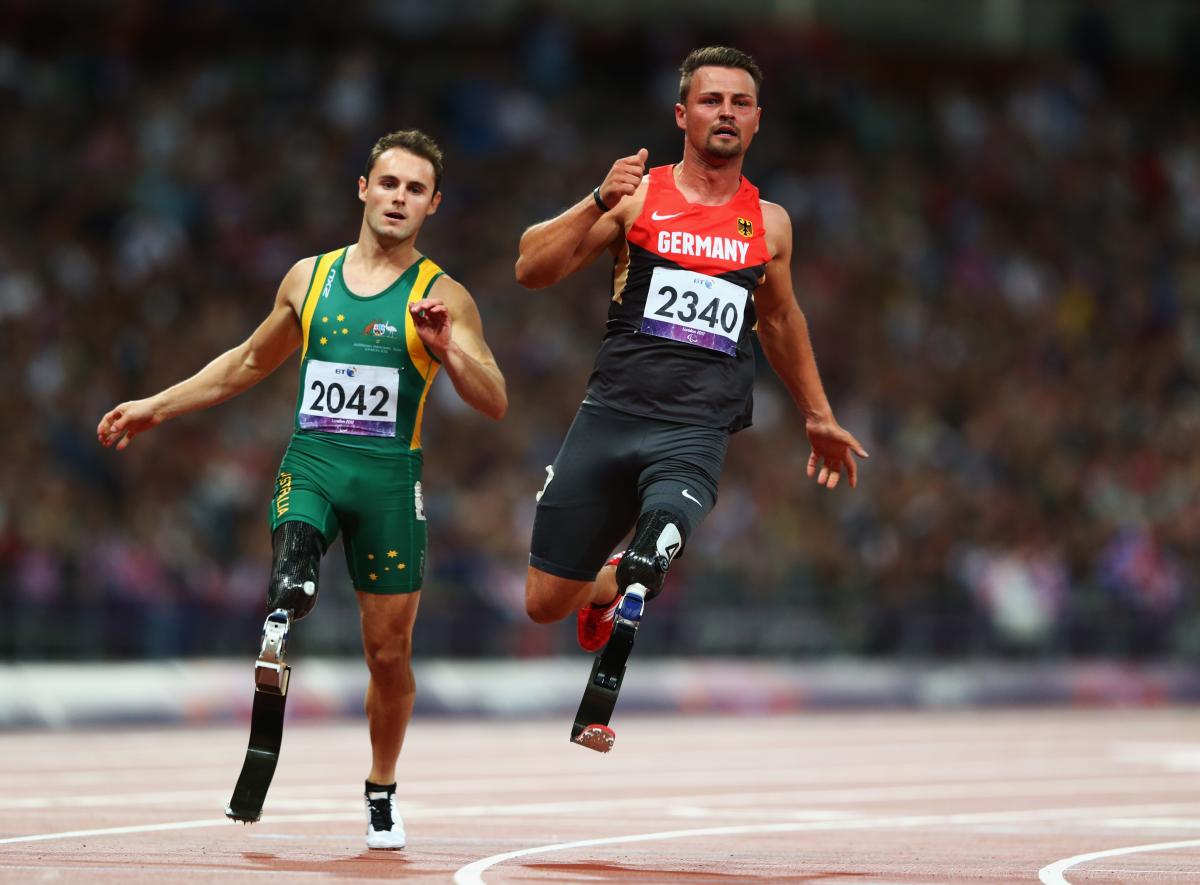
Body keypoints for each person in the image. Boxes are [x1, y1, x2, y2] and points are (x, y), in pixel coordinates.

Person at [97, 130, 507, 849]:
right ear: (363, 188)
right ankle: (287, 599)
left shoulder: (443, 295)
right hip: (313, 459)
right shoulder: (308, 279)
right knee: (294, 549)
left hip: (387, 481)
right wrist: (154, 406)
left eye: (415, 189)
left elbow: (495, 397)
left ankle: (381, 787)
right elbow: (247, 362)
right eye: (389, 184)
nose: (399, 198)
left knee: (388, 653)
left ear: (432, 205)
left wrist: (447, 350)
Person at [515, 47, 867, 658]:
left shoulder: (770, 224)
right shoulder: (633, 197)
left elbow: (779, 317)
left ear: (758, 119)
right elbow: (531, 268)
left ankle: (643, 559)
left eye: (740, 103)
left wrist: (817, 414)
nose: (726, 113)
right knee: (544, 603)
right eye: (711, 100)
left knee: (658, 544)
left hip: (696, 428)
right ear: (682, 115)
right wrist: (597, 199)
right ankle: (607, 583)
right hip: (611, 416)